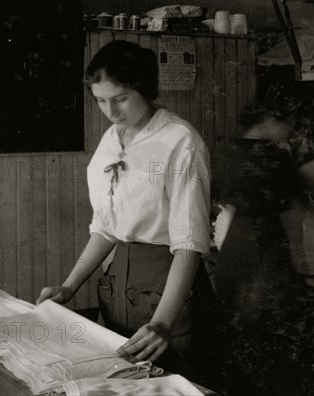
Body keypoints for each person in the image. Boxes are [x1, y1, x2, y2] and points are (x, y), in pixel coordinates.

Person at [36, 40, 214, 370]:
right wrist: (69, 287)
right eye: (101, 101)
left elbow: (190, 244)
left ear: (145, 89)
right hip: (117, 285)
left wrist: (161, 323)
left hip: (168, 288)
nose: (112, 112)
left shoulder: (179, 140)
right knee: (123, 380)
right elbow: (106, 228)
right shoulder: (112, 138)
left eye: (120, 99)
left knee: (177, 381)